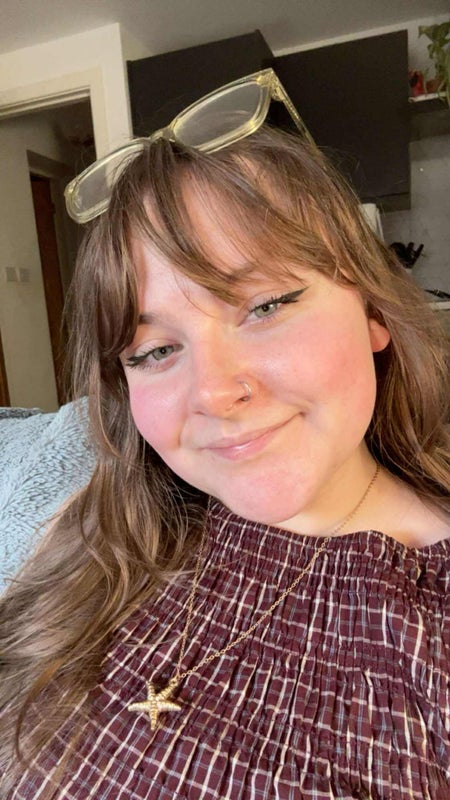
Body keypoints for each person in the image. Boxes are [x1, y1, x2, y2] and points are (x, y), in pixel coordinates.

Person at [0, 69, 449, 800]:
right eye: (154, 351)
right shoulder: (103, 527)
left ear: (374, 310)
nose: (212, 391)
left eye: (265, 306)